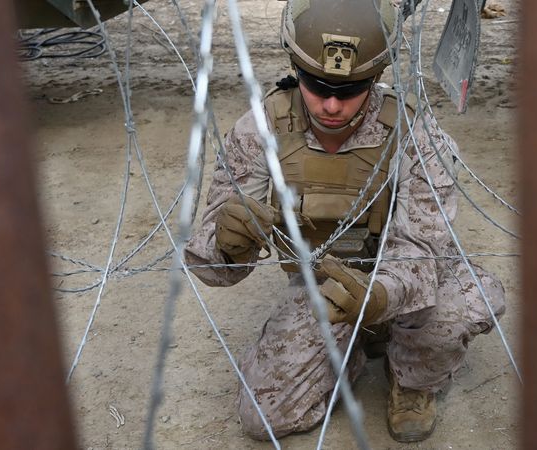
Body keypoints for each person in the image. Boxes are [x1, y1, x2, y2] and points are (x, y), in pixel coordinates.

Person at [185, 0, 505, 443]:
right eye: (316, 85)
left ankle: (412, 381)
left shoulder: (415, 134)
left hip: (399, 280)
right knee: (263, 419)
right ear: (296, 70)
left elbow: (425, 248)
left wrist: (378, 297)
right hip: (322, 285)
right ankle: (351, 352)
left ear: (375, 79)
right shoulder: (260, 132)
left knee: (458, 307)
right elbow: (211, 267)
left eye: (350, 89)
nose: (332, 104)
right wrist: (227, 246)